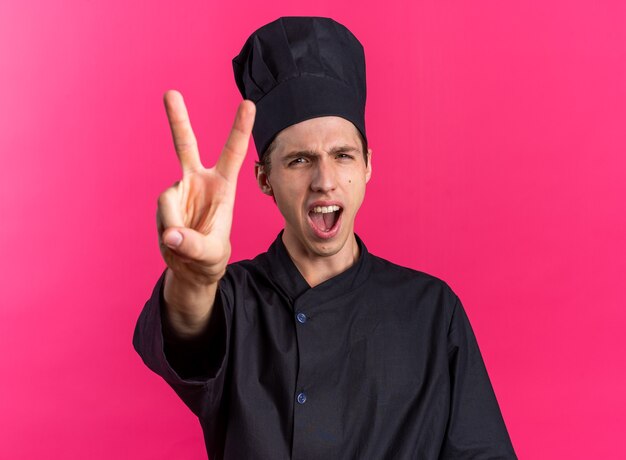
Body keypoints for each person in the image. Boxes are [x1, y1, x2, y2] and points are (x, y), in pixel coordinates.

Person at [133, 16, 516, 459]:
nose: (325, 181)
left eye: (343, 155)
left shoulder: (431, 311)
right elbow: (187, 336)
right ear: (264, 178)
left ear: (367, 165)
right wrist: (194, 282)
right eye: (299, 160)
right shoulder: (233, 300)